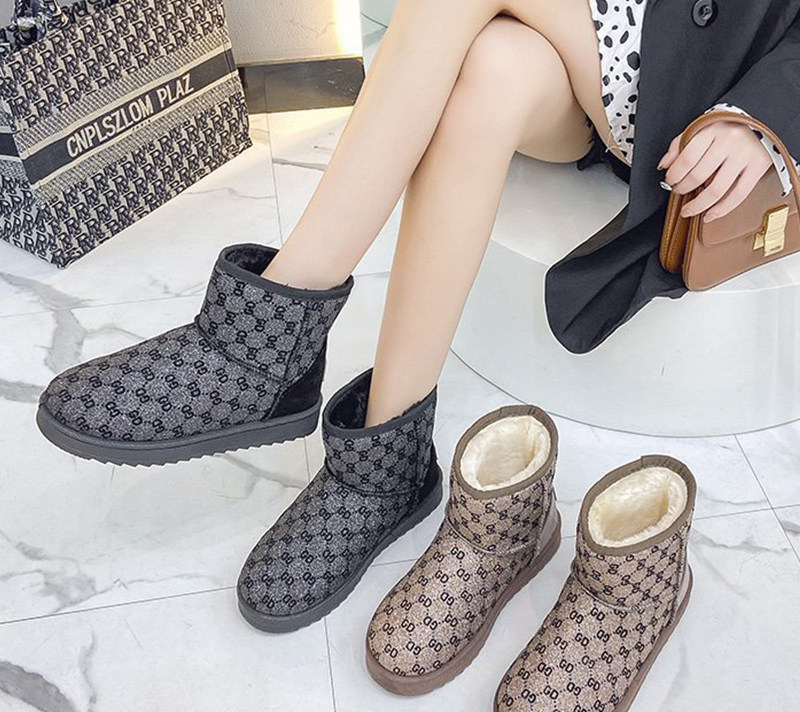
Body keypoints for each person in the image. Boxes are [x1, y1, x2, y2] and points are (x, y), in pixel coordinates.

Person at [37, 0, 800, 631]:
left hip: (694, 71)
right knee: (490, 77)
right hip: (570, 44)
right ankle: (385, 463)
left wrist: (762, 116)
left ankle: (259, 346)